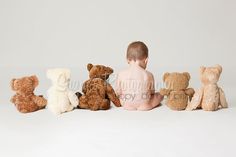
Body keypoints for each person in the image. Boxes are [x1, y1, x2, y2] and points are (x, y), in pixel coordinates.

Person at [115, 41, 163, 111]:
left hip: (126, 104)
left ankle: (129, 104)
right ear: (146, 61)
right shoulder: (148, 75)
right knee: (160, 95)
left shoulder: (121, 74)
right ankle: (144, 104)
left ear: (127, 60)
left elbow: (118, 92)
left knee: (120, 96)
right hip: (145, 105)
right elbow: (151, 92)